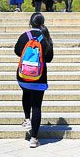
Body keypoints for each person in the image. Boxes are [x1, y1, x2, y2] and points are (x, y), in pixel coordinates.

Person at [14, 12, 54, 148]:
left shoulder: (25, 36)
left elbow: (17, 51)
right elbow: (49, 58)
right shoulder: (46, 38)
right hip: (39, 76)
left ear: (30, 22)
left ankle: (26, 119)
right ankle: (34, 138)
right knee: (36, 105)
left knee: (26, 94)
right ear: (42, 23)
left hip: (23, 75)